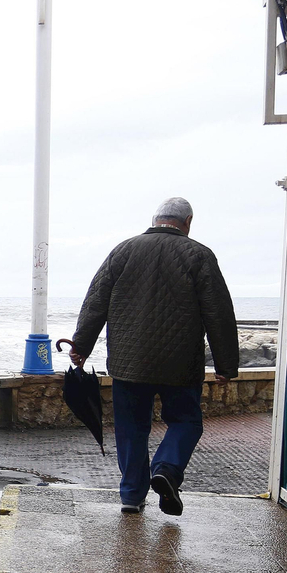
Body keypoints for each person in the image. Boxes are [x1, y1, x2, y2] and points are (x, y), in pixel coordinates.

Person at [67, 198, 239, 516]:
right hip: (181, 364)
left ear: (155, 219)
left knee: (131, 427)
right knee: (185, 421)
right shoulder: (199, 255)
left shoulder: (124, 250)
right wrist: (225, 364)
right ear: (187, 221)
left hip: (129, 363)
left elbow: (96, 301)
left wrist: (81, 345)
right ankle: (167, 469)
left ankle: (132, 496)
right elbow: (219, 313)